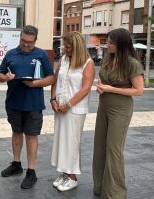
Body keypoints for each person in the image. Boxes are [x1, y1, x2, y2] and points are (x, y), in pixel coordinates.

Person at [0, 25, 55, 189]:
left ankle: (31, 171)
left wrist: (34, 83)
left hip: (33, 104)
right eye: (23, 40)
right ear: (20, 37)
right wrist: (6, 77)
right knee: (16, 133)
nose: (26, 44)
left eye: (29, 42)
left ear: (35, 40)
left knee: (31, 136)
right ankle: (16, 164)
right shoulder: (10, 54)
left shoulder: (41, 54)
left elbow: (51, 78)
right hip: (13, 102)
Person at [93, 28, 144, 198]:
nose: (108, 44)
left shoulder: (132, 64)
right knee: (100, 147)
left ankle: (115, 192)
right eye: (108, 41)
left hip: (120, 110)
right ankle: (100, 186)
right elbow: (104, 80)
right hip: (104, 106)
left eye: (111, 42)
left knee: (114, 149)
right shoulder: (108, 59)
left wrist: (111, 88)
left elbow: (138, 91)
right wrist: (101, 87)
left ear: (121, 44)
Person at [50, 31, 95, 192]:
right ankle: (65, 172)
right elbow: (55, 81)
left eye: (68, 47)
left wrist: (68, 105)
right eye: (64, 46)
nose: (65, 49)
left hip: (75, 109)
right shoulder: (63, 60)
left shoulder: (87, 63)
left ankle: (72, 177)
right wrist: (53, 99)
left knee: (72, 143)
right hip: (60, 107)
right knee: (62, 142)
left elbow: (86, 88)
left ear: (77, 47)